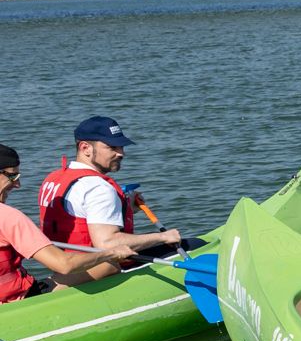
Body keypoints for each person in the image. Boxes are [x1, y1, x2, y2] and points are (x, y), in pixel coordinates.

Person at [38, 116, 185, 276]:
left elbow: (76, 216)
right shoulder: (98, 187)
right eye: (112, 147)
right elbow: (107, 243)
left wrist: (125, 208)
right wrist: (163, 236)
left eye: (121, 147)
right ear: (85, 148)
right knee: (193, 245)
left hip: (66, 269)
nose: (121, 153)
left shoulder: (53, 179)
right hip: (98, 271)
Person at [0, 144, 133, 301]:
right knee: (108, 266)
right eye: (12, 176)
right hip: (18, 301)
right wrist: (112, 253)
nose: (18, 184)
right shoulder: (9, 217)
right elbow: (64, 265)